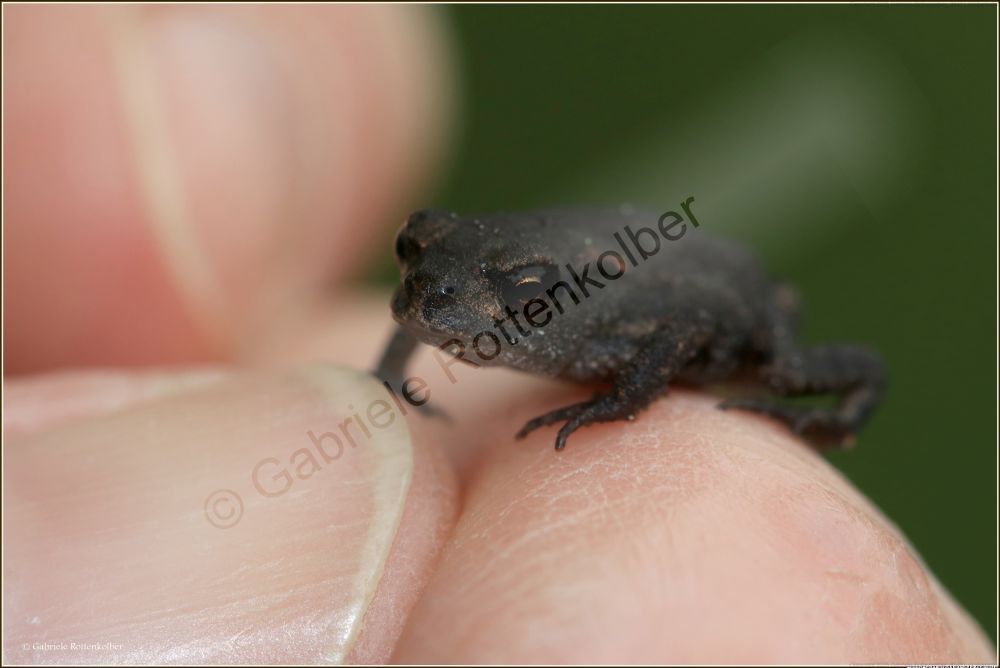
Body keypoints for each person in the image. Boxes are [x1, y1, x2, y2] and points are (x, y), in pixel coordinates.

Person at [3, 5, 994, 664]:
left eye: (497, 291)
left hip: (736, 311)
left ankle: (840, 411)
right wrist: (388, 379)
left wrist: (624, 400)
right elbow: (417, 313)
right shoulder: (452, 298)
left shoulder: (590, 316)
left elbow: (691, 318)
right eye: (413, 258)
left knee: (794, 367)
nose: (429, 296)